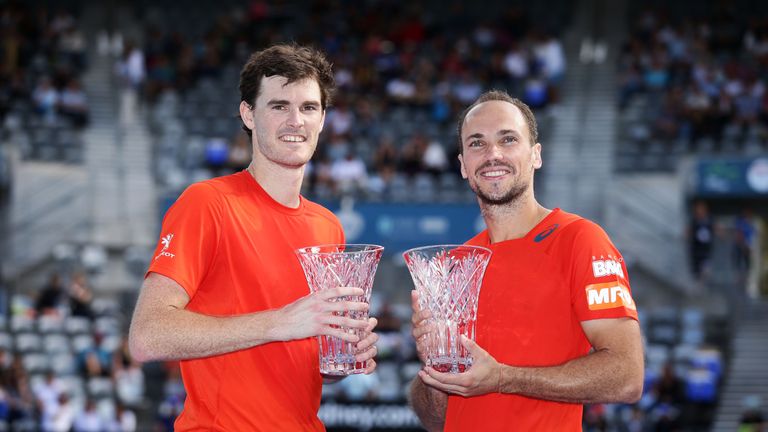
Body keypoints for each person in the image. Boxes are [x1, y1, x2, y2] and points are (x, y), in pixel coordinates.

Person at [128, 44, 379, 431]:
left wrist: (340, 357)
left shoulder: (329, 227)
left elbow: (300, 364)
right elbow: (148, 336)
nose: (296, 120)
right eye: (279, 106)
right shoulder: (207, 203)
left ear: (324, 119)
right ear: (249, 114)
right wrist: (280, 321)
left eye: (309, 108)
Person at [409, 90, 644, 431]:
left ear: (536, 155)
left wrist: (503, 378)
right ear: (462, 166)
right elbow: (436, 419)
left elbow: (627, 376)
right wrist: (435, 362)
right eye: (477, 143)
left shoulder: (579, 239)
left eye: (508, 139)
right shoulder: (452, 265)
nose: (493, 154)